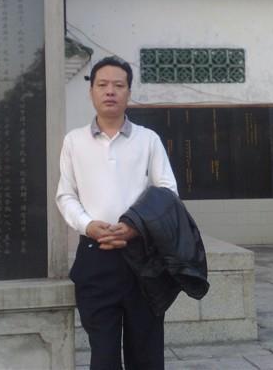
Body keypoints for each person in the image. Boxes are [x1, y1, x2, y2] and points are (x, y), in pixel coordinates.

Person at [56, 56, 178, 370]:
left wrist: (135, 226)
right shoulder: (74, 141)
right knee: (104, 356)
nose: (110, 91)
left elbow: (168, 192)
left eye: (118, 85)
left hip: (143, 260)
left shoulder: (148, 140)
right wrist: (88, 225)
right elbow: (66, 195)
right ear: (92, 92)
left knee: (146, 355)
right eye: (102, 85)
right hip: (95, 259)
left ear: (128, 93)